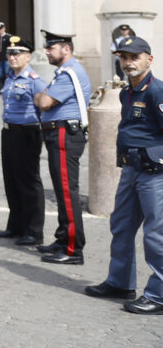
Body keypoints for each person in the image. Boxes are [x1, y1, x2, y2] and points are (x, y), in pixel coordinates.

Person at [85, 36, 163, 313]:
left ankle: (158, 295)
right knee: (120, 227)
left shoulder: (157, 92)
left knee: (156, 234)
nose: (128, 62)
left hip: (155, 174)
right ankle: (120, 283)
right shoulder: (125, 92)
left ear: (149, 59)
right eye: (124, 57)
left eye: (134, 56)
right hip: (131, 170)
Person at [34, 30, 91, 265]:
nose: (47, 51)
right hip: (59, 134)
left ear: (66, 49)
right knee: (62, 191)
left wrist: (40, 96)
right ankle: (62, 239)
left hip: (65, 134)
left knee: (67, 192)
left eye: (51, 48)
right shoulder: (64, 72)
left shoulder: (69, 73)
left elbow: (45, 102)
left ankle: (72, 250)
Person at [0, 37, 46, 246]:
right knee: (11, 180)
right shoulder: (9, 78)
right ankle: (15, 225)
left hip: (28, 132)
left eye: (18, 53)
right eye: (10, 53)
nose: (13, 57)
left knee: (28, 181)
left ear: (28, 56)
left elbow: (44, 107)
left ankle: (33, 231)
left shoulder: (35, 80)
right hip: (9, 132)